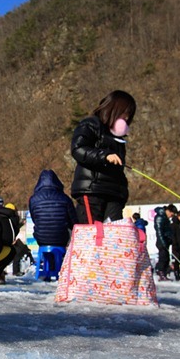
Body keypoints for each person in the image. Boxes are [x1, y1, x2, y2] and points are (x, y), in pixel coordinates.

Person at [70, 90, 136, 223]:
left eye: (129, 114)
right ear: (115, 109)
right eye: (125, 113)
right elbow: (78, 149)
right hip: (93, 190)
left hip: (114, 194)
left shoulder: (118, 137)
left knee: (113, 237)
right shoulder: (91, 124)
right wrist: (104, 155)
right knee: (92, 234)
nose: (127, 118)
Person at [28, 169, 77, 250]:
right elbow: (73, 221)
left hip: (41, 239)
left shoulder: (33, 199)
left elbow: (35, 219)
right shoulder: (65, 198)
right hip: (61, 239)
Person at [153, 204, 175, 281]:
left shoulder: (165, 217)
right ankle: (160, 272)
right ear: (168, 211)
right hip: (161, 241)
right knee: (163, 257)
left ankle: (164, 273)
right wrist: (162, 241)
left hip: (166, 240)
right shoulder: (160, 217)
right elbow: (159, 231)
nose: (171, 216)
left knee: (166, 258)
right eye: (171, 214)